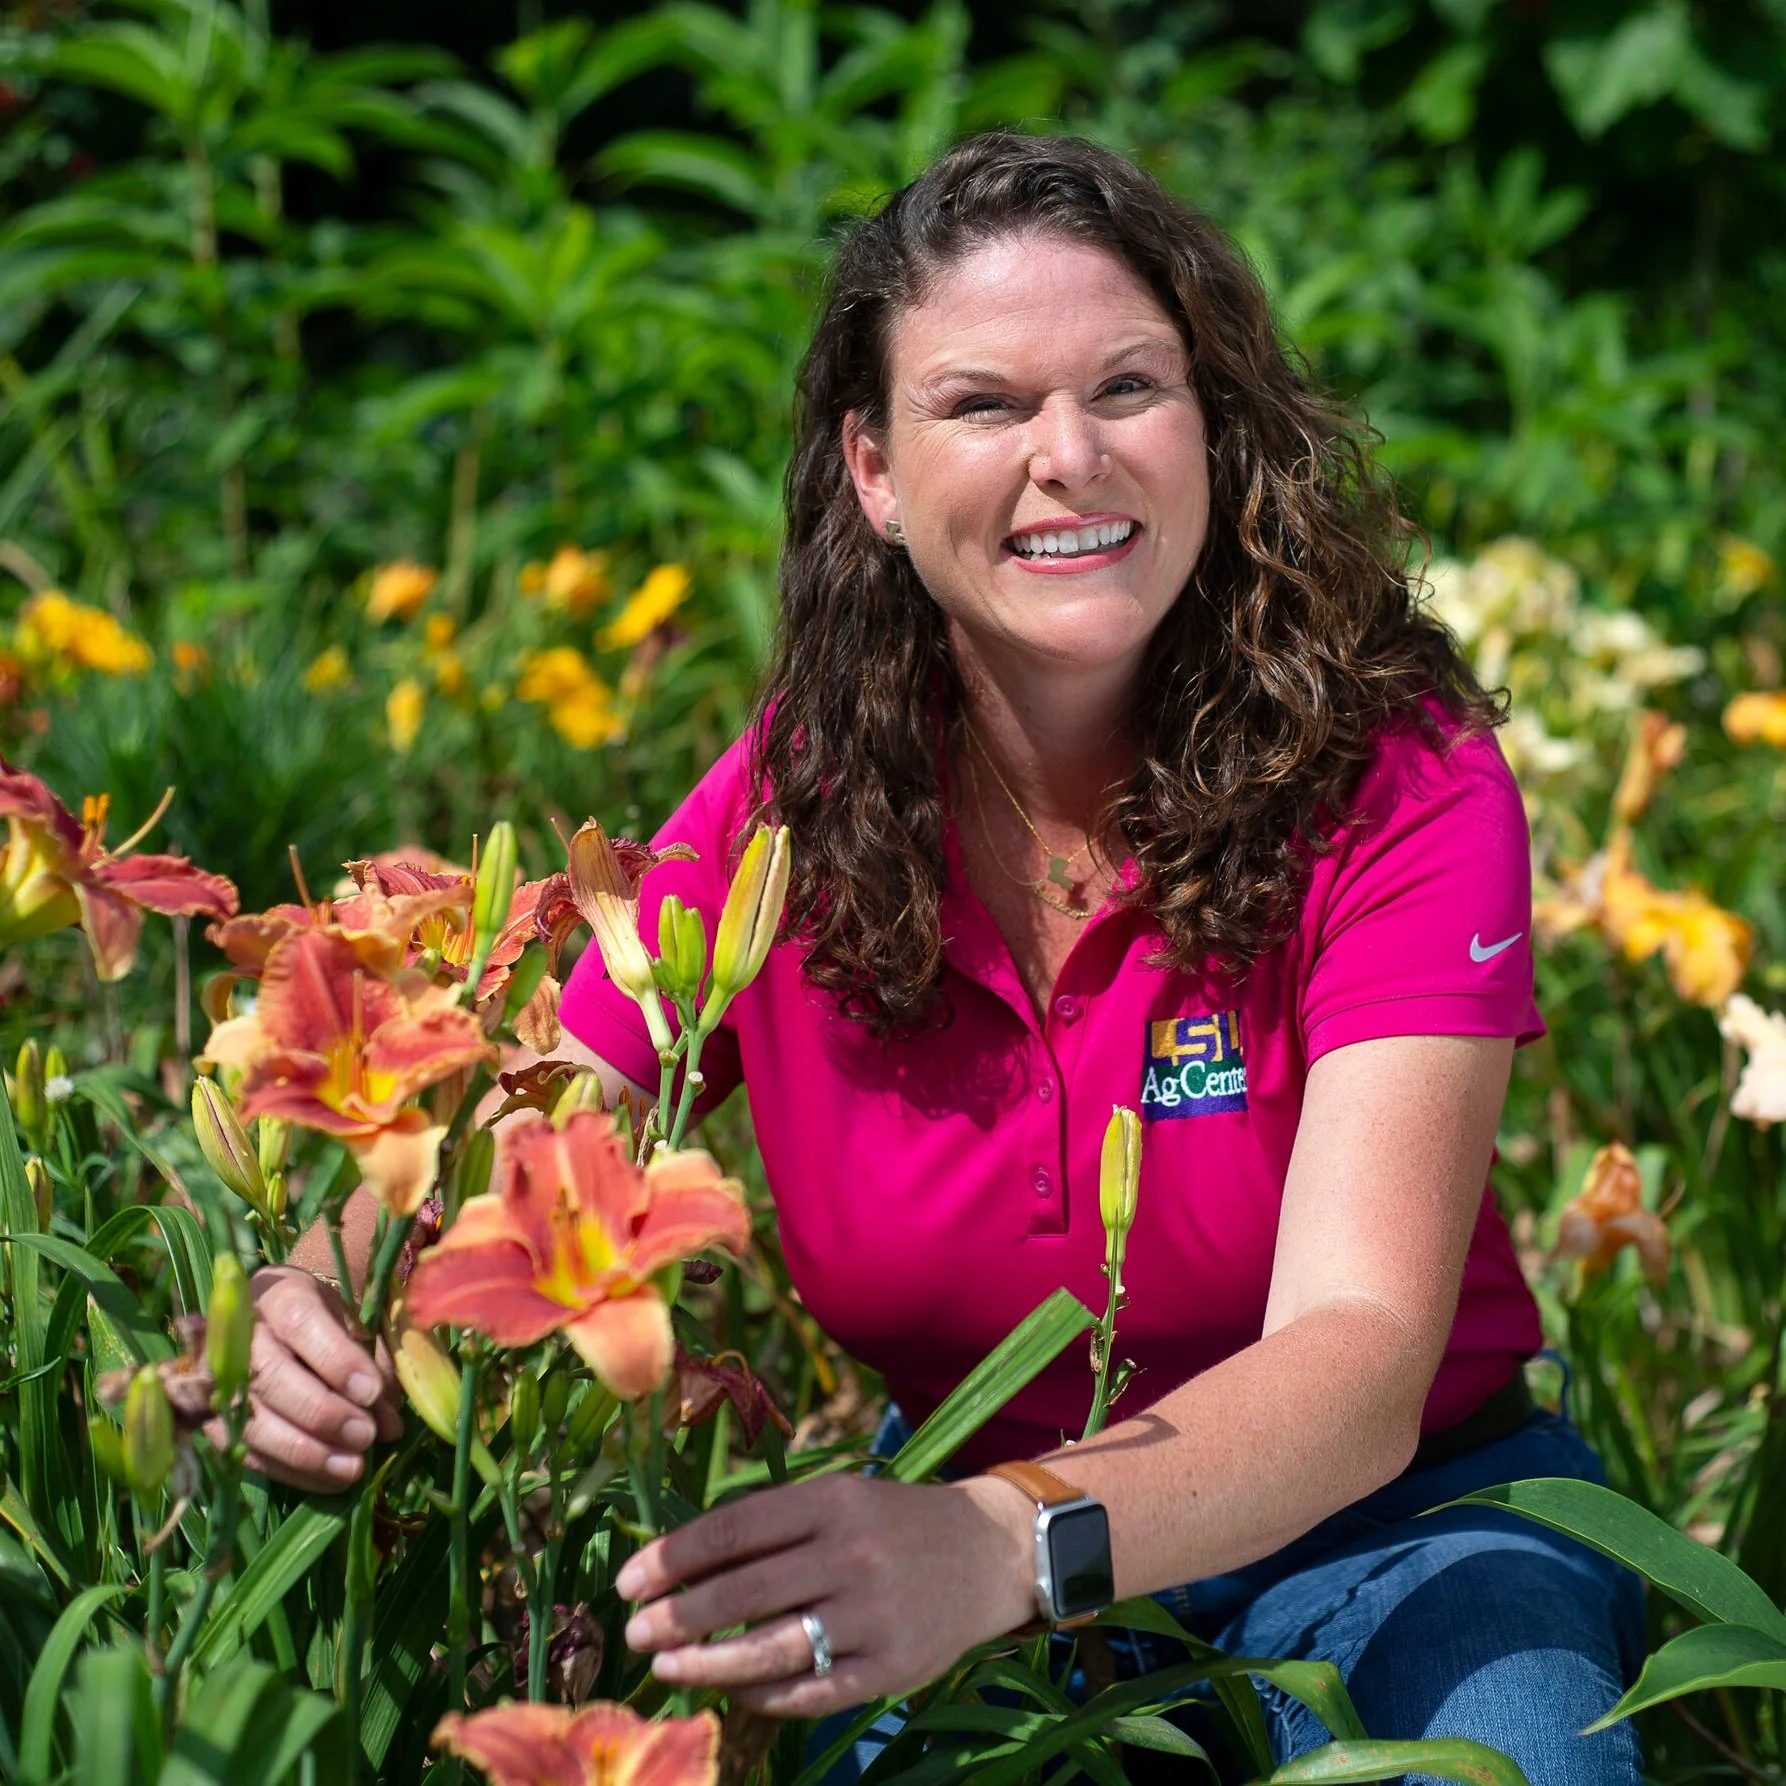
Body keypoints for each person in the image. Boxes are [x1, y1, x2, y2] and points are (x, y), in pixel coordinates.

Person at [238, 133, 1643, 1782]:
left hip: (1406, 1528)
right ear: (875, 471)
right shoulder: (794, 804)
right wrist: (321, 1293)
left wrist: (996, 1540)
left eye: (1127, 387)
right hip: (974, 1555)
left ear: (1212, 430)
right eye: (981, 404)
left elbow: (1355, 1359)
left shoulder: (1393, 774)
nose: (1068, 456)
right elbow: (521, 1134)